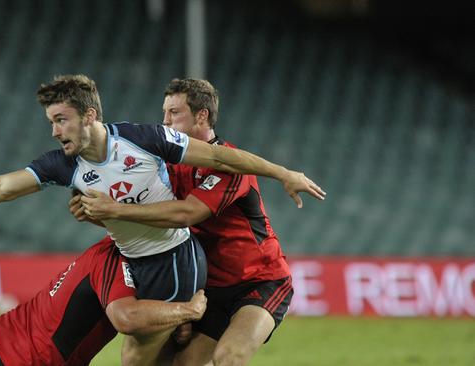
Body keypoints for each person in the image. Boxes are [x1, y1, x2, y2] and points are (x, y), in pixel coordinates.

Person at [0, 74, 323, 365]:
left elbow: (201, 185)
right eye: (51, 122)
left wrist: (284, 172)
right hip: (170, 268)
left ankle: (185, 318)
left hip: (211, 269)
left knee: (192, 357)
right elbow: (3, 186)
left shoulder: (144, 141)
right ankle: (184, 322)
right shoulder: (64, 165)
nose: (55, 131)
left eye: (61, 120)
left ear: (89, 116)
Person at [74, 78, 325, 366]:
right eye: (164, 112)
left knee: (228, 358)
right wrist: (96, 214)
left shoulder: (231, 165)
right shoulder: (166, 164)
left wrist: (115, 210)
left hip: (260, 279)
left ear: (202, 116)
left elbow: (187, 214)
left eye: (174, 113)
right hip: (209, 288)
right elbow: (148, 220)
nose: (164, 121)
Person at [0, 236, 208, 366]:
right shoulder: (114, 260)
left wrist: (176, 318)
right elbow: (127, 318)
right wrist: (189, 310)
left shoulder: (104, 249)